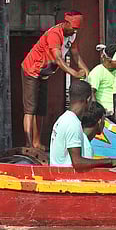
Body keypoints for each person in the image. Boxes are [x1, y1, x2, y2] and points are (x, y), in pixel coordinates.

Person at [21, 12, 89, 150]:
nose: (74, 31)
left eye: (77, 29)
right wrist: (74, 72)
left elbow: (76, 56)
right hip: (32, 70)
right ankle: (28, 145)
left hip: (45, 73)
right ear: (66, 23)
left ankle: (36, 142)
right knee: (30, 109)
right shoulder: (55, 34)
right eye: (73, 28)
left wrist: (86, 70)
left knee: (41, 109)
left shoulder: (72, 35)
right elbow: (58, 59)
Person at [86, 43, 116, 113]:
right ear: (103, 57)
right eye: (109, 62)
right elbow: (91, 92)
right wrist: (97, 111)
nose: (111, 64)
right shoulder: (98, 71)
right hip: (106, 111)